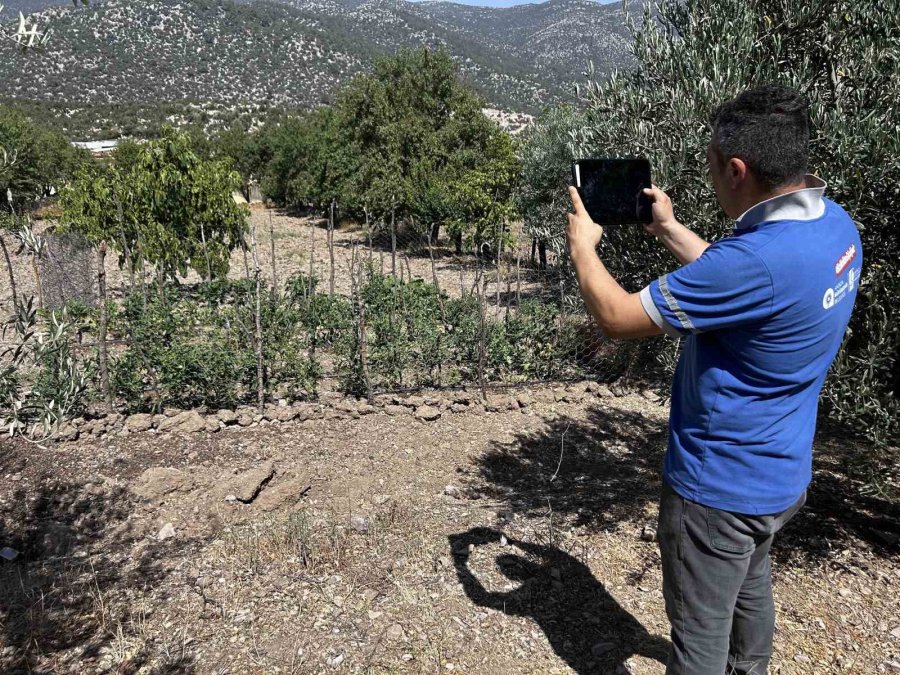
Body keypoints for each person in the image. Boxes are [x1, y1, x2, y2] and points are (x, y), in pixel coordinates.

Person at [565, 84, 862, 674]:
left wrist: (582, 249)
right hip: (779, 476)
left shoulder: (753, 261)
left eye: (712, 170)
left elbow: (617, 319)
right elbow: (750, 291)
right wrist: (670, 230)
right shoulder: (835, 229)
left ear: (738, 168)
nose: (712, 183)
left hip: (715, 490)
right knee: (751, 594)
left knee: (697, 642)